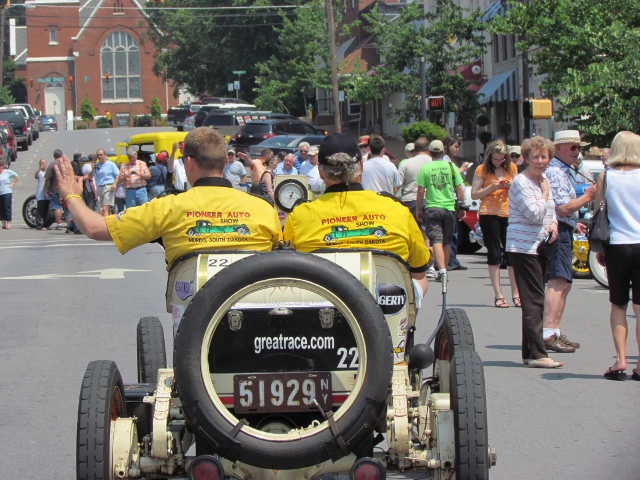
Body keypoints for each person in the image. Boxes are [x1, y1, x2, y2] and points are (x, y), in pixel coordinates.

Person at [54, 127, 282, 273]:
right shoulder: (263, 208)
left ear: (188, 163)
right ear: (224, 162)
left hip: (193, 320)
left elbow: (94, 228)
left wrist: (71, 195)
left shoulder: (167, 207)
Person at [282, 133, 430, 305]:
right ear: (361, 165)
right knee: (420, 282)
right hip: (386, 312)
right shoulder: (397, 210)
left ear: (321, 173)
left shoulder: (299, 216)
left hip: (324, 312)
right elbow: (419, 270)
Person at [505, 136, 562, 368]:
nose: (540, 161)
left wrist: (555, 223)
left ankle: (530, 353)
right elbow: (534, 213)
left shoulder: (543, 180)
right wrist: (545, 193)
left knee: (534, 299)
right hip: (523, 247)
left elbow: (550, 210)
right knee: (533, 300)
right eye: (535, 157)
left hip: (539, 245)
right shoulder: (522, 182)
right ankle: (539, 354)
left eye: (544, 156)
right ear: (526, 159)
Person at [543, 130, 596, 353]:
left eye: (579, 147)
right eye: (573, 147)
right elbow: (562, 207)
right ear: (559, 149)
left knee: (564, 283)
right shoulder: (556, 172)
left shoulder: (564, 171)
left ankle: (555, 330)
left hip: (565, 227)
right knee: (557, 281)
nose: (577, 152)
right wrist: (588, 196)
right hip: (558, 230)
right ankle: (548, 332)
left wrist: (574, 223)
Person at [593, 131, 640, 381]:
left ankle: (621, 359)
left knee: (618, 303)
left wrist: (600, 251)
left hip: (618, 245)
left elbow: (599, 212)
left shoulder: (606, 176)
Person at [471, 140, 520, 308]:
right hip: (489, 213)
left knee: (512, 253)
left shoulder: (511, 168)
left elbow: (519, 188)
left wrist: (511, 184)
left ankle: (516, 293)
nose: (498, 162)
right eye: (495, 159)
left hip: (508, 213)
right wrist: (491, 188)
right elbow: (475, 195)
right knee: (494, 253)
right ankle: (498, 294)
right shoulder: (482, 169)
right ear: (489, 156)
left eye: (501, 159)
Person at [415, 140, 465, 281]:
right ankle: (445, 270)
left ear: (430, 152)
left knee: (436, 239)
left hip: (432, 207)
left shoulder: (426, 168)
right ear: (443, 152)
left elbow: (420, 190)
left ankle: (441, 270)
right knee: (447, 240)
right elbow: (460, 187)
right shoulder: (451, 167)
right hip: (449, 207)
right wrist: (462, 204)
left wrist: (419, 208)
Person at [442, 136, 469, 272]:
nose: (457, 149)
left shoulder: (450, 161)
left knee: (453, 233)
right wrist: (462, 169)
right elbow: (452, 179)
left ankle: (452, 260)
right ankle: (450, 261)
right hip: (448, 200)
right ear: (448, 146)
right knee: (450, 233)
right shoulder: (445, 161)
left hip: (452, 200)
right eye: (455, 146)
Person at [91, 148, 120, 217]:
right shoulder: (97, 165)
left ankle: (106, 225)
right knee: (106, 208)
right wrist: (92, 169)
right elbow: (90, 176)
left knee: (105, 208)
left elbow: (118, 175)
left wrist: (114, 184)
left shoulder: (111, 164)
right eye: (98, 155)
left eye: (101, 155)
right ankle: (110, 222)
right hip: (100, 187)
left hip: (108, 186)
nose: (99, 157)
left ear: (105, 155)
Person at [44, 149, 66, 230]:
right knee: (67, 207)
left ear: (54, 156)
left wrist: (46, 189)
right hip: (65, 189)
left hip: (55, 189)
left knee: (57, 207)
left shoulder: (52, 165)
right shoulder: (65, 164)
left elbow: (47, 179)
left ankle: (59, 224)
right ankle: (70, 223)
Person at [0, 161, 18, 229]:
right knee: (1, 209)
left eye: (1, 166)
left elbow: (16, 176)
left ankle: (8, 223)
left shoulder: (7, 172)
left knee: (7, 208)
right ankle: (3, 224)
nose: (0, 167)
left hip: (7, 192)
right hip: (0, 193)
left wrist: (12, 184)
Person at [34, 158, 50, 230]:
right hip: (40, 193)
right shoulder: (39, 172)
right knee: (40, 210)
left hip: (47, 194)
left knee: (46, 210)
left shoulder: (47, 172)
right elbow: (35, 175)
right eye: (42, 163)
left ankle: (45, 225)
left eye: (45, 163)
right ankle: (39, 225)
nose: (44, 165)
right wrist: (39, 169)